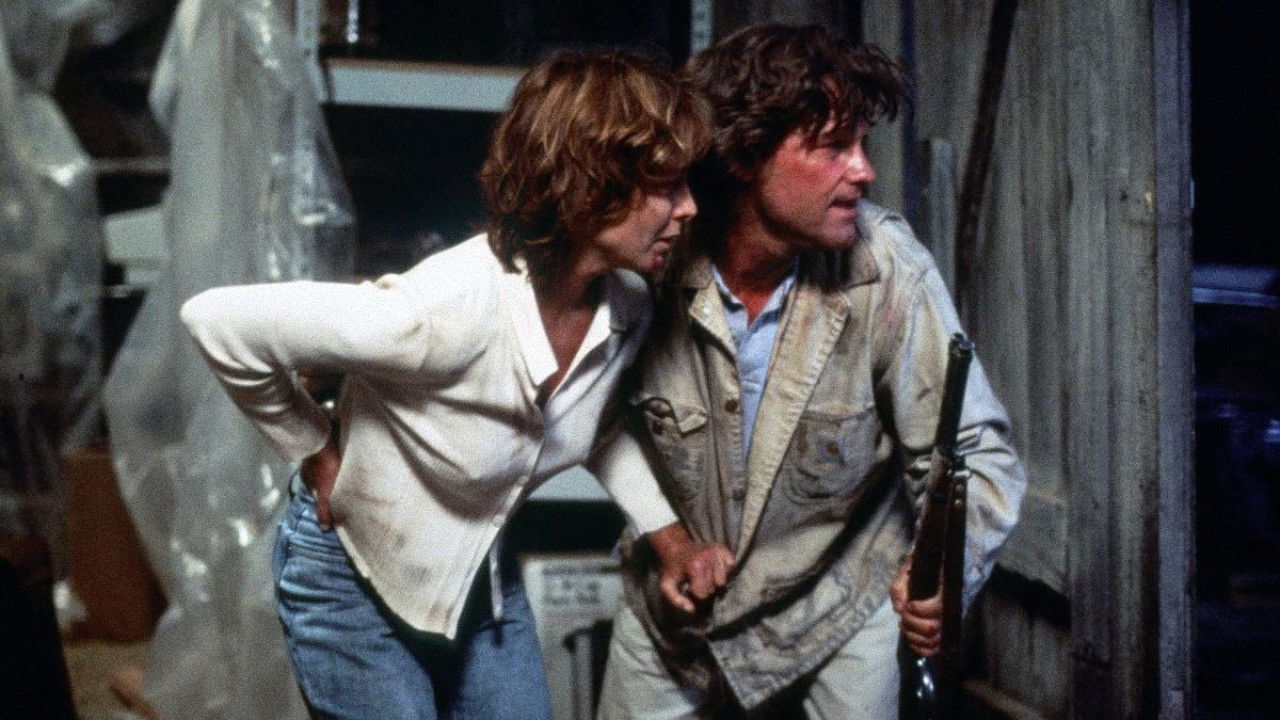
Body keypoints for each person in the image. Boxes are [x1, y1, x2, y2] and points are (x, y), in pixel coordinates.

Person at [181, 50, 725, 720]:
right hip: (350, 577)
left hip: (478, 579)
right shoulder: (443, 312)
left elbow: (597, 430)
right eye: (667, 186)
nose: (689, 208)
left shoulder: (626, 307)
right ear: (591, 187)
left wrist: (672, 543)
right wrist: (312, 444)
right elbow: (217, 321)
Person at [596, 24, 1027, 719]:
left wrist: (949, 569)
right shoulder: (653, 255)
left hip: (839, 606)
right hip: (674, 619)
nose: (864, 170)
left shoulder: (886, 267)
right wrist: (667, 540)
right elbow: (590, 419)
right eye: (833, 148)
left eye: (862, 144)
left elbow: (975, 451)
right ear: (745, 155)